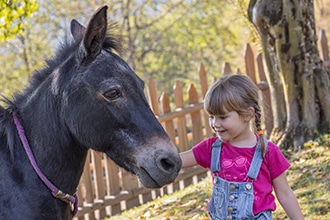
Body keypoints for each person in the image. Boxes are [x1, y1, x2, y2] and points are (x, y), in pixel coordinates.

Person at [180, 74, 304, 219]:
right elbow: (176, 162)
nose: (215, 123)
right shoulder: (210, 148)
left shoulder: (268, 151)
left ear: (247, 114)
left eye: (222, 117)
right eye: (211, 117)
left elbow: (285, 194)